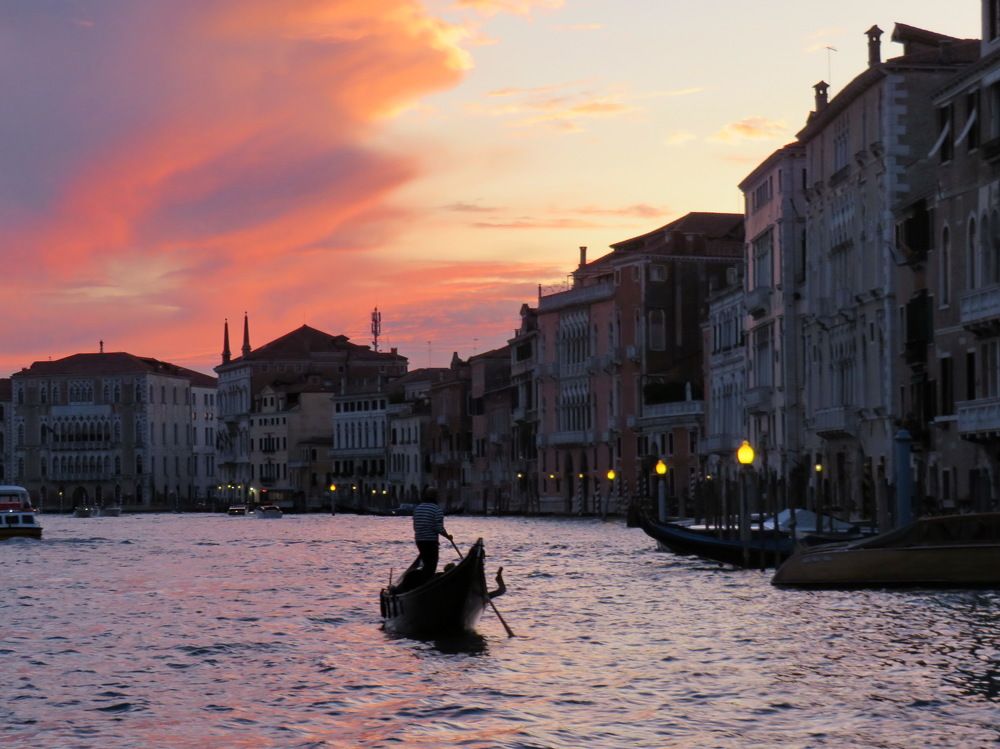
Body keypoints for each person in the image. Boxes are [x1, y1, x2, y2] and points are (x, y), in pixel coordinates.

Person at [412, 486, 452, 581]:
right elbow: (438, 528)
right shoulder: (437, 509)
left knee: (426, 563)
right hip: (430, 541)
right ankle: (425, 583)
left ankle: (423, 581)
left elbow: (415, 527)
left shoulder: (418, 508)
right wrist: (448, 536)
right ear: (435, 496)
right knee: (432, 564)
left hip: (419, 540)